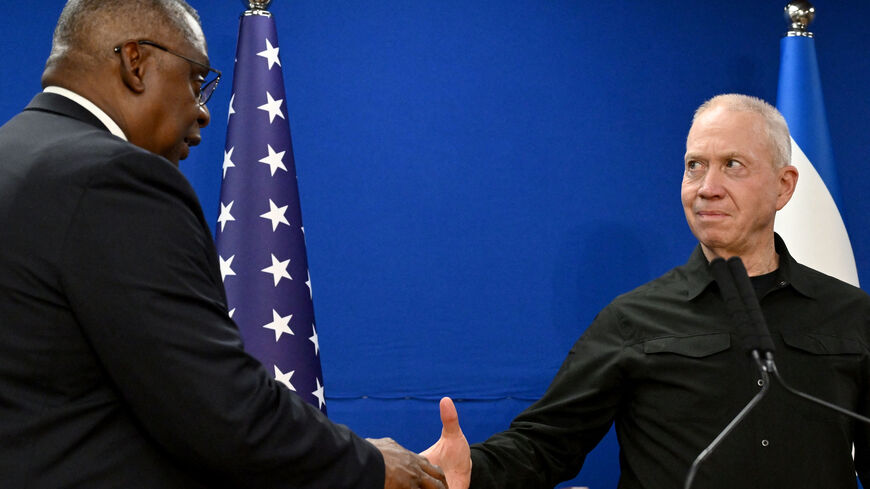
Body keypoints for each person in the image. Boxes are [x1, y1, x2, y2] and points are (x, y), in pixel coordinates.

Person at [0, 1, 446, 488]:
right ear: (135, 62)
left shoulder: (14, 158)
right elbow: (215, 407)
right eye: (196, 81)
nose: (204, 112)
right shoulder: (117, 178)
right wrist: (369, 465)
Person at [422, 93, 870, 488]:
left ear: (783, 186)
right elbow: (545, 445)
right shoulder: (632, 319)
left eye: (732, 165)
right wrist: (471, 469)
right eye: (695, 166)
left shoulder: (851, 315)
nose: (707, 188)